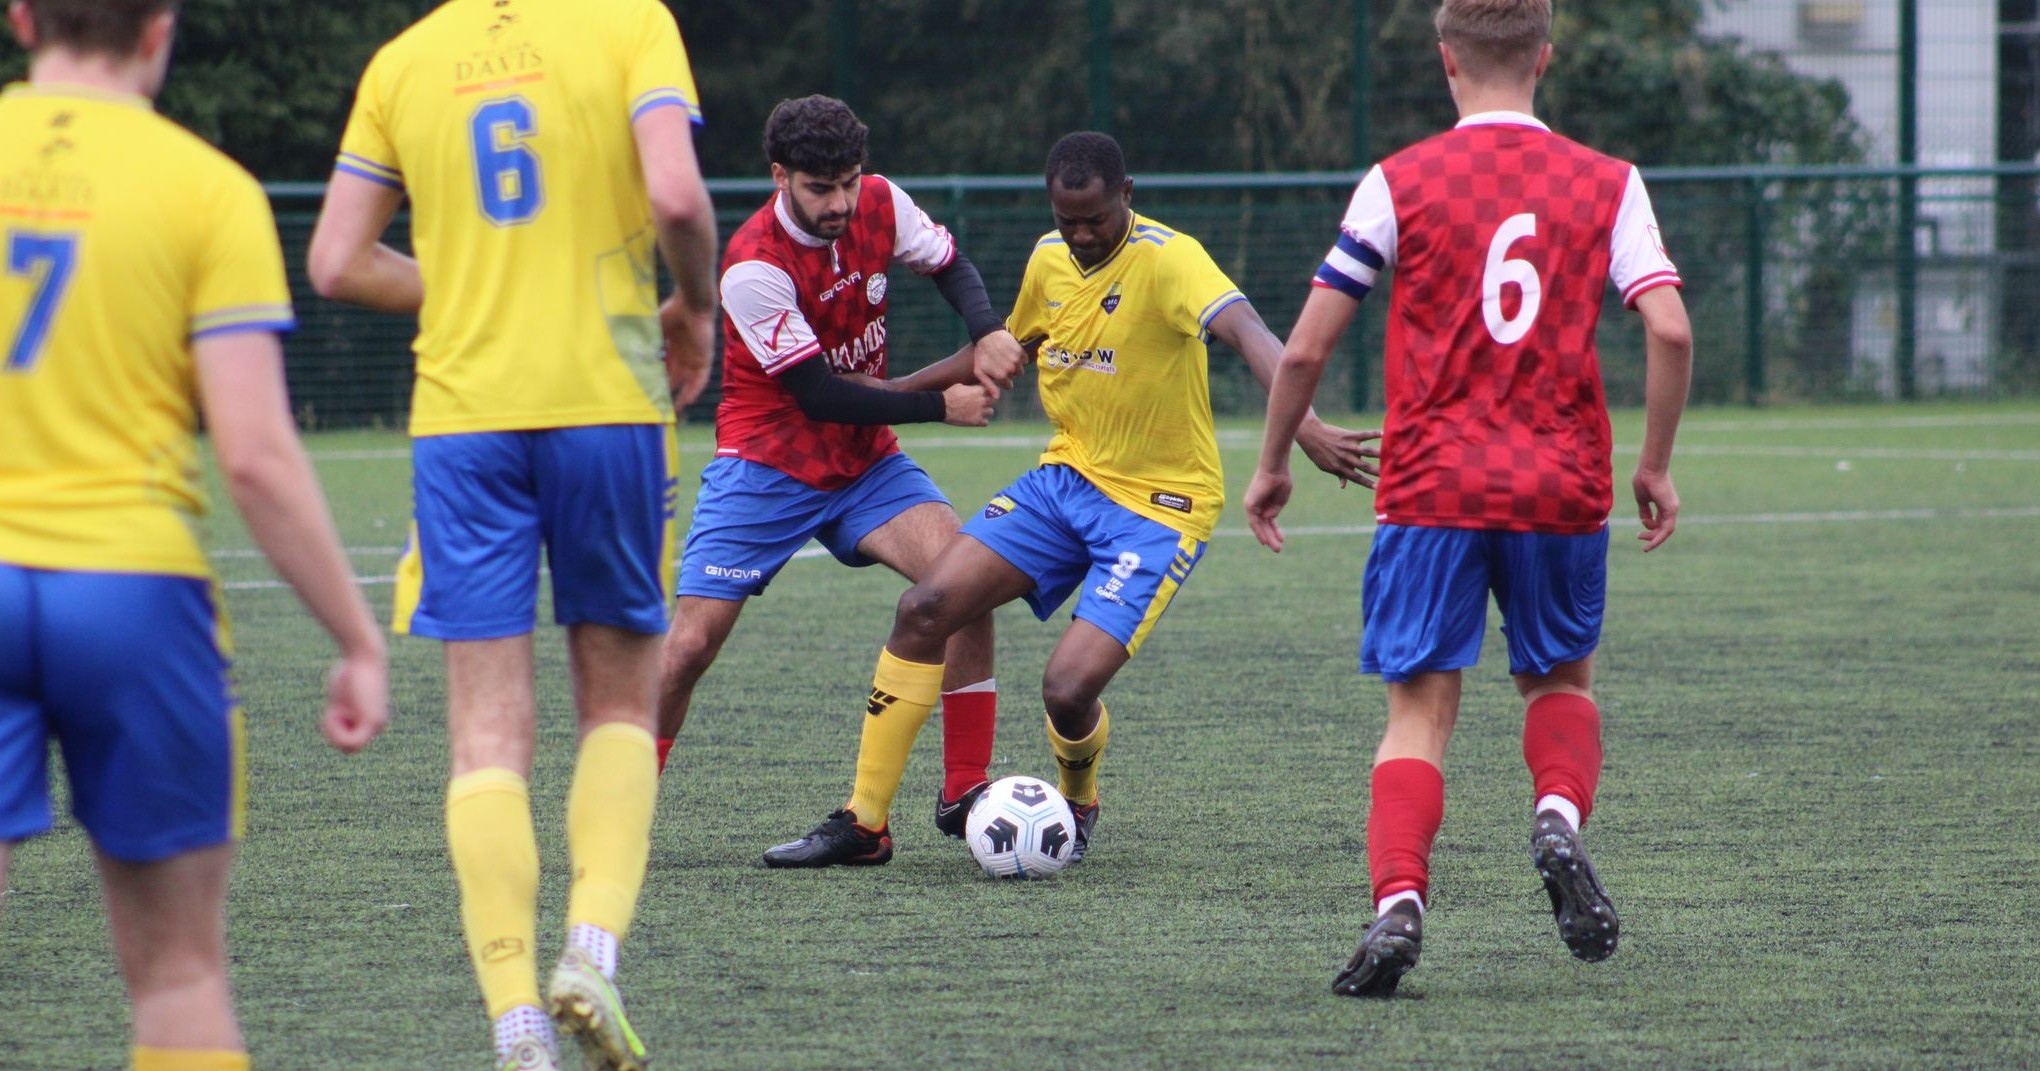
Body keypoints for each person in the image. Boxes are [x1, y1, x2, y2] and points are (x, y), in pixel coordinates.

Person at [1243, 0, 1694, 999]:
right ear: (1546, 57)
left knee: (1418, 715)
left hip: (1431, 487)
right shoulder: (1610, 183)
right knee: (1560, 685)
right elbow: (1668, 330)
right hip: (1561, 485)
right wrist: (1654, 465)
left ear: (1446, 59)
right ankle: (1556, 822)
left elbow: (1309, 345)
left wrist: (1276, 460)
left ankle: (1400, 901)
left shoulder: (1398, 181)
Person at [769, 130, 1378, 869]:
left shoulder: (1171, 258)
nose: (1082, 236)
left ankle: (1078, 797)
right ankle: (865, 821)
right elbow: (1000, 350)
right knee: (925, 608)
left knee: (1066, 689)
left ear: (1128, 196)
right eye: (1068, 221)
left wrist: (1306, 427)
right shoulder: (1047, 260)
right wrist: (893, 392)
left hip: (1161, 506)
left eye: (1096, 219)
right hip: (1064, 482)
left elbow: (1251, 334)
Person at [304, 0, 717, 1067]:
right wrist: (693, 305)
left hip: (464, 422)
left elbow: (338, 261)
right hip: (606, 408)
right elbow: (675, 191)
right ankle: (589, 954)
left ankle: (515, 1026)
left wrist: (474, 285)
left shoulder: (404, 60)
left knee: (486, 736)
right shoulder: (630, 25)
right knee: (621, 704)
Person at [0, 2, 390, 1069]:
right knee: (179, 976)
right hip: (134, 592)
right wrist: (358, 639)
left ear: (23, 18)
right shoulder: (208, 189)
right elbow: (256, 454)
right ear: (160, 32)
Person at [656, 95, 1026, 870]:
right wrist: (942, 404)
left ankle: (961, 790)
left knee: (964, 582)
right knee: (688, 646)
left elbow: (950, 263)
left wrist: (986, 328)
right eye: (820, 188)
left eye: (848, 183)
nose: (840, 203)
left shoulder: (882, 202)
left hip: (864, 462)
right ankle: (621, 808)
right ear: (780, 175)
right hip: (767, 462)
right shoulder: (752, 263)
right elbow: (818, 394)